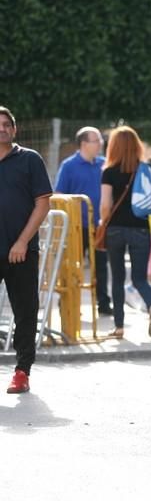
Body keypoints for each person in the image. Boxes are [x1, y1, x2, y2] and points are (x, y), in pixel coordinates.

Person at [0, 106, 52, 394]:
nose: (2, 128)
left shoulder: (30, 159)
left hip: (22, 250)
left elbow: (42, 203)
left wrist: (21, 241)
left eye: (7, 124)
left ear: (14, 129)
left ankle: (22, 372)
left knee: (25, 312)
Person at [99, 126, 151, 338]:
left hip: (115, 228)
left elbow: (106, 204)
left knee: (117, 278)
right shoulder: (146, 169)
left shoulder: (109, 171)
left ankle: (119, 327)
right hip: (141, 228)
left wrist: (103, 220)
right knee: (139, 278)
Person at [55, 126, 111, 315]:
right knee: (73, 267)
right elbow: (59, 194)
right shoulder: (68, 166)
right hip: (77, 227)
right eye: (97, 141)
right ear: (84, 144)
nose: (100, 144)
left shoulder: (104, 164)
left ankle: (103, 304)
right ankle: (69, 304)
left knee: (101, 267)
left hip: (100, 226)